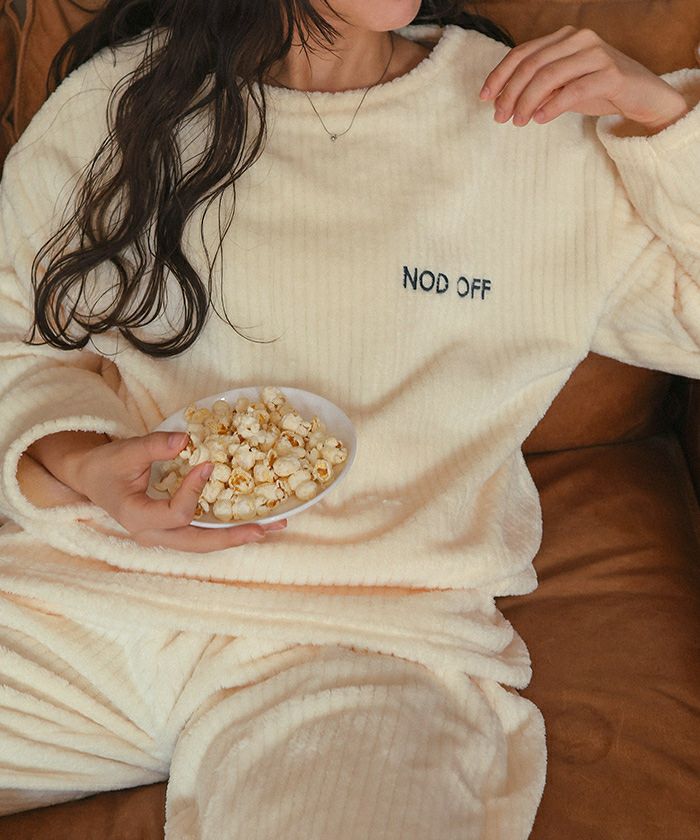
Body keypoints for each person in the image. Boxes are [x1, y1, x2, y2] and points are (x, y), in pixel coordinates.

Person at [0, 1, 698, 837]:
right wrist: (83, 463)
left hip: (365, 642)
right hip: (82, 598)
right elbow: (17, 341)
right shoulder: (116, 103)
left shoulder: (532, 118)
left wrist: (667, 119)